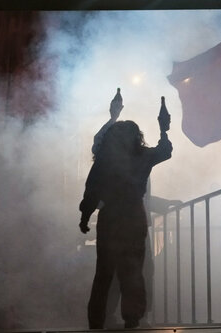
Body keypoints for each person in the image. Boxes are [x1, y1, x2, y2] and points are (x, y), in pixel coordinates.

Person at [79, 116, 173, 329]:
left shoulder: (104, 161)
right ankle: (132, 319)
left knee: (104, 272)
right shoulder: (143, 157)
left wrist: (85, 217)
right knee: (132, 271)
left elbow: (91, 191)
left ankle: (96, 321)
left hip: (110, 216)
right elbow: (165, 151)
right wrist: (163, 129)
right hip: (133, 216)